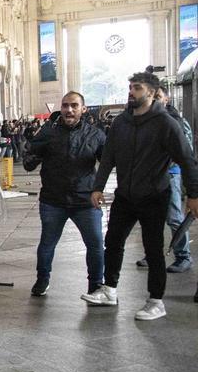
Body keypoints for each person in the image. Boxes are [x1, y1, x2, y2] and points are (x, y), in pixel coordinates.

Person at [82, 71, 198, 320]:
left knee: (153, 248)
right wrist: (97, 187)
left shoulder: (166, 123)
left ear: (152, 93)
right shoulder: (121, 122)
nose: (131, 92)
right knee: (113, 241)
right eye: (130, 87)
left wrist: (194, 195)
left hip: (154, 196)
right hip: (125, 195)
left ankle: (156, 301)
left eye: (137, 88)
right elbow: (108, 158)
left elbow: (187, 161)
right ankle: (109, 290)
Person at [23, 91, 106, 297]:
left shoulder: (95, 134)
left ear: (83, 109)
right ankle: (43, 279)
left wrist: (99, 188)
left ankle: (95, 284)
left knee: (95, 244)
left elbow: (108, 162)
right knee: (47, 244)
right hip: (53, 200)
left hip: (85, 200)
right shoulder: (48, 133)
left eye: (74, 105)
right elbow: (29, 160)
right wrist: (31, 155)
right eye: (65, 105)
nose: (69, 109)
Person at [135, 78, 193, 273]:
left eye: (159, 97)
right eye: (153, 97)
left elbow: (187, 153)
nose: (156, 101)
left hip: (169, 176)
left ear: (166, 100)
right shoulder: (143, 120)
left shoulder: (175, 121)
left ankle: (183, 256)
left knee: (174, 217)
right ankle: (152, 254)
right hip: (147, 178)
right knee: (149, 218)